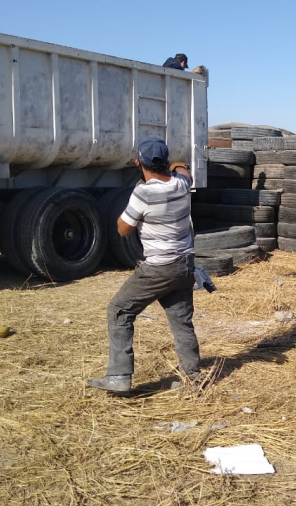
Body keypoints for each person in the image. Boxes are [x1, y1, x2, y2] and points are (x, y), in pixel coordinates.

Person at [87, 137, 200, 393]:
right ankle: (193, 378)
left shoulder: (143, 193)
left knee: (119, 310)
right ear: (166, 162)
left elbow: (123, 229)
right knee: (182, 322)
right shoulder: (182, 185)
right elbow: (185, 173)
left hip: (158, 268)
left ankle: (118, 376)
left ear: (139, 163)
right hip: (184, 265)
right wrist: (178, 165)